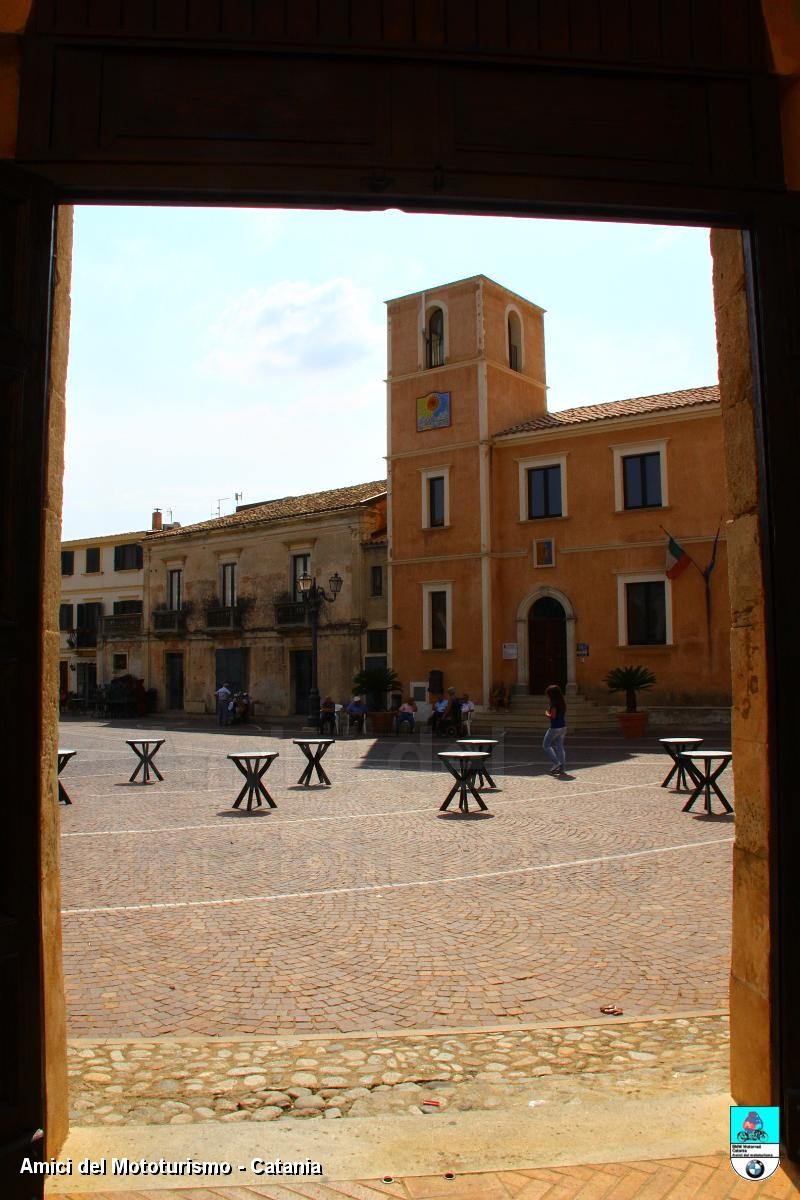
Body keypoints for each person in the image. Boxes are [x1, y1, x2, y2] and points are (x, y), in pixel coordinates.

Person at [543, 683, 567, 775]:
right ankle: (562, 767)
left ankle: (556, 763)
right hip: (563, 727)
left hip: (555, 728)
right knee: (560, 747)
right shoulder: (562, 703)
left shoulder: (554, 704)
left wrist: (546, 713)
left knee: (546, 745)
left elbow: (553, 716)